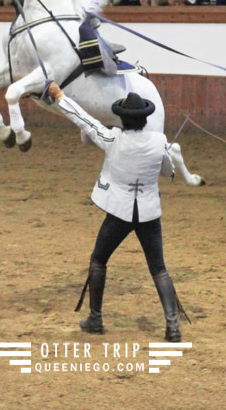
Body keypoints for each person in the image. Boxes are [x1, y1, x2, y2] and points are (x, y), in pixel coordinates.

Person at [45, 83, 187, 341]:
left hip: (119, 212)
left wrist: (60, 97)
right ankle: (173, 326)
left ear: (121, 118)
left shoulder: (113, 138)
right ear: (145, 118)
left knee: (99, 260)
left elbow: (83, 120)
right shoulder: (159, 141)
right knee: (159, 269)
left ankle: (96, 319)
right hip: (148, 213)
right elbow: (169, 173)